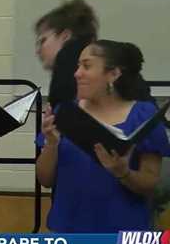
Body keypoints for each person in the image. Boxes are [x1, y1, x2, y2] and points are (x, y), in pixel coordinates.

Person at [36, 39, 170, 232]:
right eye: (78, 66)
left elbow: (150, 184)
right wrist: (51, 144)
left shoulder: (144, 115)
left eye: (87, 66)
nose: (77, 73)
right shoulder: (65, 112)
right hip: (68, 233)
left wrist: (124, 173)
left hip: (125, 235)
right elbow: (45, 180)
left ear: (113, 74)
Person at [35, 0, 99, 108]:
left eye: (43, 40)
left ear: (65, 36)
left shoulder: (66, 64)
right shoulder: (98, 61)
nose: (37, 50)